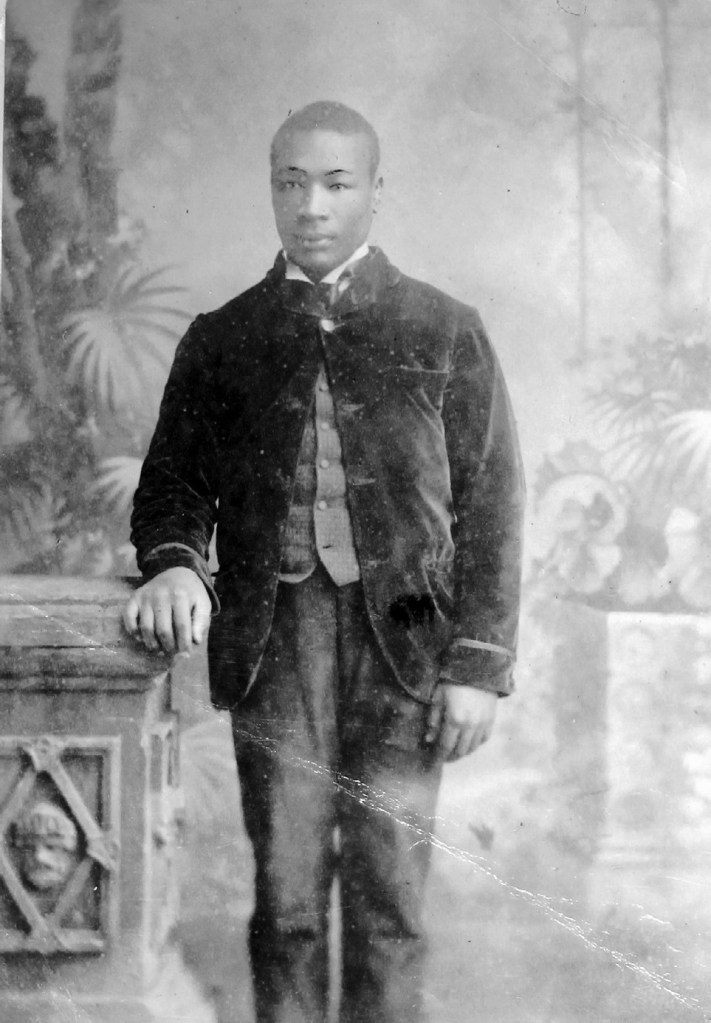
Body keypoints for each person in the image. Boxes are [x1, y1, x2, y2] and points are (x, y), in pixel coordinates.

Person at [125, 100, 524, 1023]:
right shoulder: (224, 337)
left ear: (377, 194)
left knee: (391, 901)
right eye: (290, 182)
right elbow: (173, 485)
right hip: (276, 645)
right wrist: (177, 562)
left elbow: (494, 505)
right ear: (271, 190)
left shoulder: (443, 329)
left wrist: (477, 666)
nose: (311, 205)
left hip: (408, 653)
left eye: (336, 182)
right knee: (290, 898)